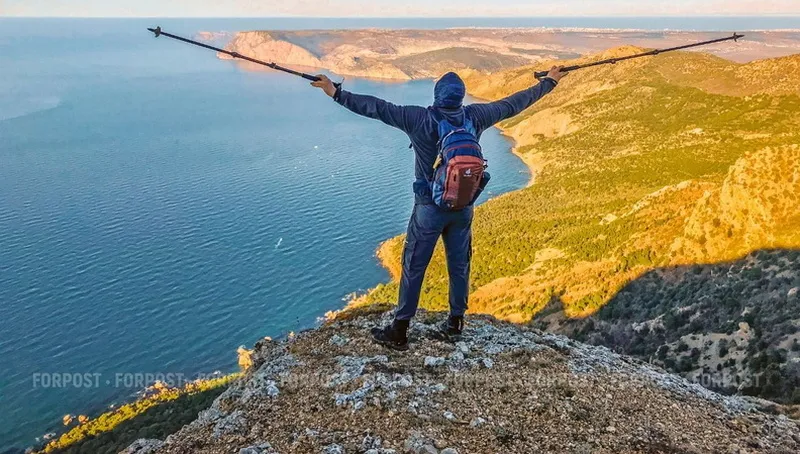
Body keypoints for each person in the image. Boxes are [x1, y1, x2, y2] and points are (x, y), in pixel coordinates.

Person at [312, 66, 567, 350]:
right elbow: (514, 103)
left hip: (428, 209)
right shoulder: (475, 117)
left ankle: (400, 329)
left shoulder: (418, 118)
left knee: (413, 266)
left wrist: (334, 91)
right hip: (462, 207)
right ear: (461, 97)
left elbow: (376, 107)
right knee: (459, 265)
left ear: (436, 96)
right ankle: (455, 322)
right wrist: (549, 83)